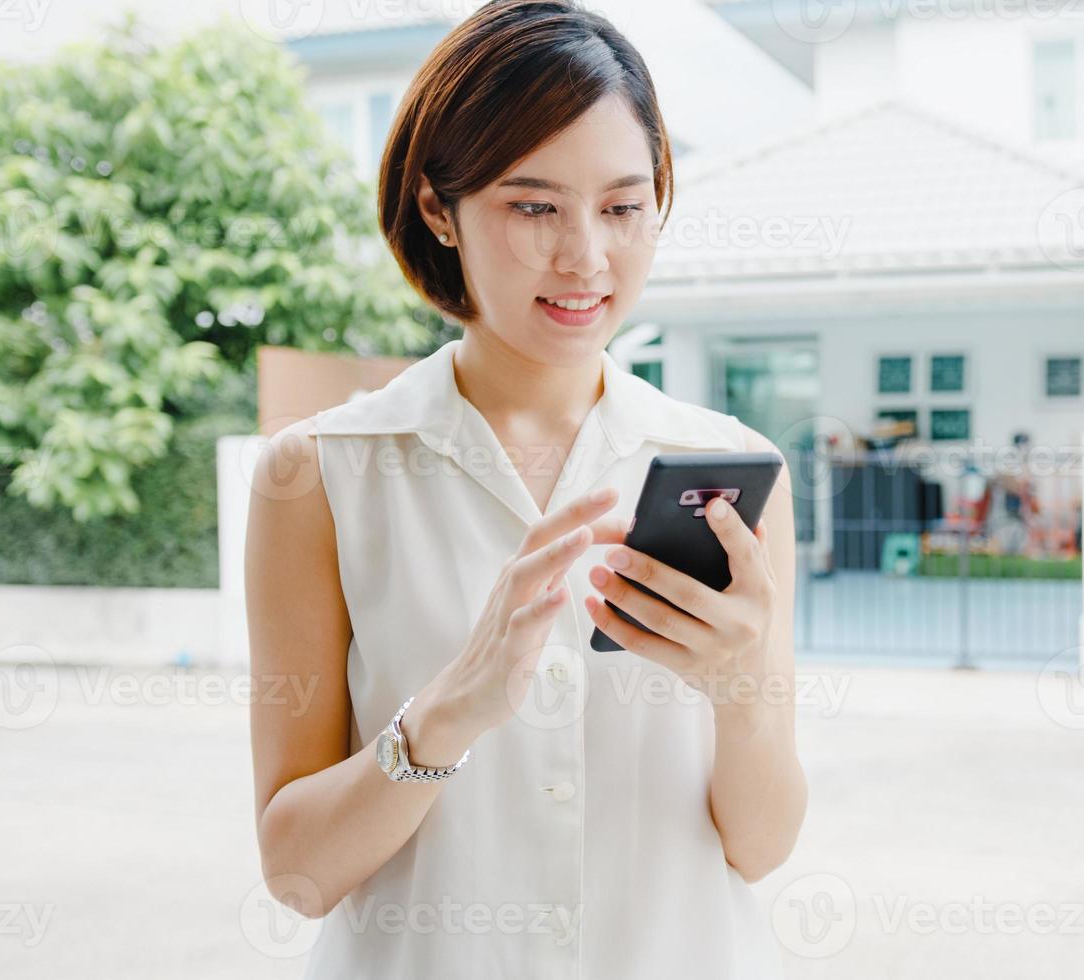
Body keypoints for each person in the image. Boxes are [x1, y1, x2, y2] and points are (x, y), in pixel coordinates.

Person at [243, 4, 806, 976]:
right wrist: (446, 710)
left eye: (623, 207)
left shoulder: (725, 467)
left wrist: (740, 693)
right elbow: (295, 869)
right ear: (436, 210)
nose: (586, 255)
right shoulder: (320, 471)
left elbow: (758, 847)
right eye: (533, 205)